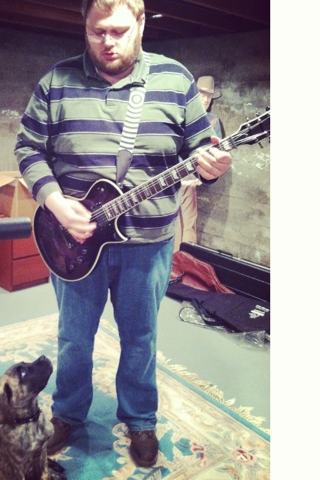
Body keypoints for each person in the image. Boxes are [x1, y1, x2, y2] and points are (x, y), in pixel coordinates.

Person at [15, 0, 232, 468]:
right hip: (73, 241)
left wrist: (211, 166)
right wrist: (54, 202)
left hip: (148, 246)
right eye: (97, 32)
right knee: (74, 338)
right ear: (84, 26)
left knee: (140, 337)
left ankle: (140, 419)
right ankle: (68, 413)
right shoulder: (56, 82)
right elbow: (28, 148)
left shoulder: (175, 81)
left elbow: (200, 151)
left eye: (118, 31)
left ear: (141, 23)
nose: (107, 43)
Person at [173, 75, 224, 252]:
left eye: (209, 96)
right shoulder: (182, 114)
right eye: (201, 94)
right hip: (169, 178)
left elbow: (218, 147)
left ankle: (185, 260)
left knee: (188, 222)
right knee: (171, 224)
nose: (205, 99)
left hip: (189, 179)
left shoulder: (213, 120)